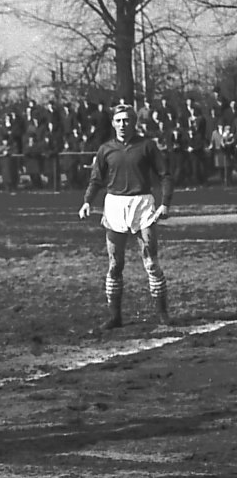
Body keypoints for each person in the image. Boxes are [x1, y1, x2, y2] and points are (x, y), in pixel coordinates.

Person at [78, 103, 173, 330]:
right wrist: (87, 202)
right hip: (115, 207)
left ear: (134, 122)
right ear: (113, 123)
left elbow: (165, 175)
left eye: (126, 120)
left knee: (151, 262)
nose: (122, 124)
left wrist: (165, 204)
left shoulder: (147, 146)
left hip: (142, 205)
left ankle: (162, 315)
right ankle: (115, 316)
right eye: (118, 120)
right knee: (115, 264)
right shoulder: (105, 149)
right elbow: (96, 180)